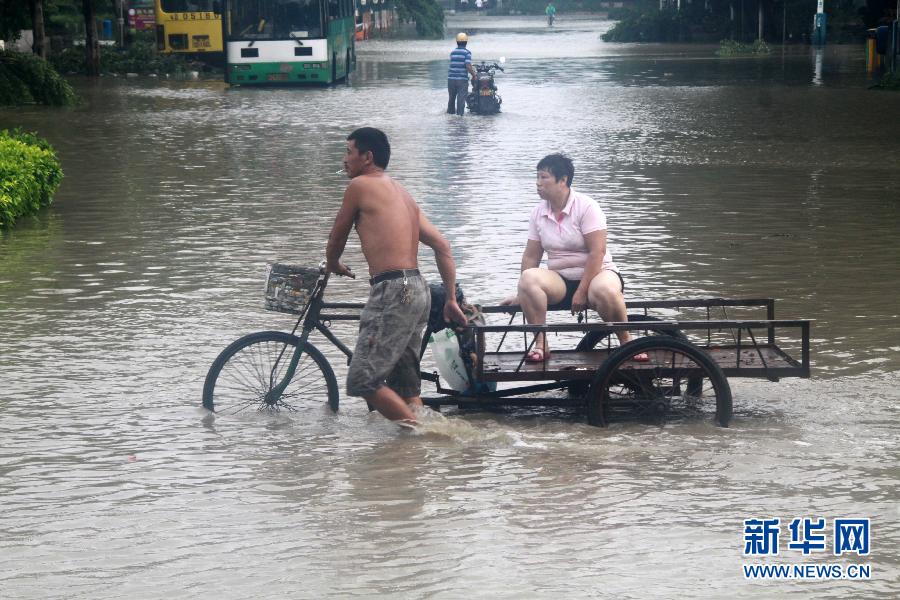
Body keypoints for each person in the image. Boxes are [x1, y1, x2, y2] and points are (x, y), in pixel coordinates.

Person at [326, 127, 468, 424]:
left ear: (368, 157)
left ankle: (427, 435)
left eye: (349, 152)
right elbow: (442, 245)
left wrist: (332, 263)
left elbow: (337, 236)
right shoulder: (403, 194)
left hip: (393, 290)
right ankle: (412, 456)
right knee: (406, 386)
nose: (344, 159)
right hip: (418, 290)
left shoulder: (360, 186)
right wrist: (451, 299)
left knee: (363, 381)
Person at [501, 153, 647, 363]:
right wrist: (521, 294)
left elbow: (598, 252)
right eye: (537, 177)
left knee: (604, 290)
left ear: (563, 180)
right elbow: (531, 256)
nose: (538, 183)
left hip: (599, 273)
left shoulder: (586, 206)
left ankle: (627, 343)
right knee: (529, 278)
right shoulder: (538, 213)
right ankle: (541, 345)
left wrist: (581, 291)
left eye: (544, 177)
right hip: (560, 279)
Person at [447, 32, 477, 116]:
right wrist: (474, 75)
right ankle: (459, 117)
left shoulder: (452, 53)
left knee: (451, 99)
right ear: (466, 42)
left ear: (457, 42)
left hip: (451, 79)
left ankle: (450, 115)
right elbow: (468, 65)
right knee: (461, 99)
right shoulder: (467, 53)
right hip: (462, 80)